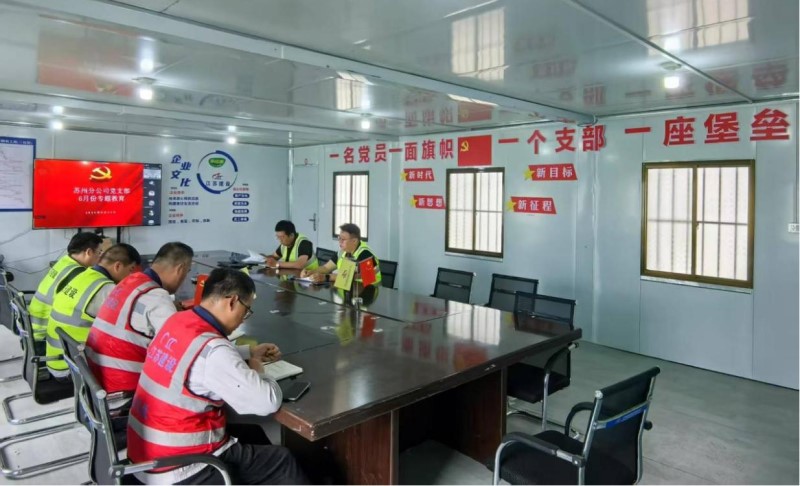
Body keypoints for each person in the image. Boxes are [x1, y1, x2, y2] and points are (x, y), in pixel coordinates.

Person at [126, 267, 308, 485]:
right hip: (182, 466)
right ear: (232, 302)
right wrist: (258, 370)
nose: (243, 319)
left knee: (254, 435)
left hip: (145, 452)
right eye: (246, 310)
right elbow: (266, 402)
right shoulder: (214, 351)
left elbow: (194, 356)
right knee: (282, 460)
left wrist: (248, 352)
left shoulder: (177, 321)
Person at [85, 242, 194, 401]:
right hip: (122, 391)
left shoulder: (129, 282)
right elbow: (180, 348)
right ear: (181, 269)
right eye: (187, 271)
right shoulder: (157, 297)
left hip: (97, 382)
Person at [45, 244, 141, 379]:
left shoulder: (83, 275)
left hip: (58, 358)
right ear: (118, 266)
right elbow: (131, 324)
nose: (131, 276)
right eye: (131, 270)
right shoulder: (106, 289)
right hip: (73, 369)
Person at [28, 232, 104, 342]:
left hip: (34, 325)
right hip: (45, 333)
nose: (100, 257)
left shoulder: (64, 261)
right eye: (99, 252)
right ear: (89, 252)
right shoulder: (78, 274)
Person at [301, 223, 381, 286]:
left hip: (369, 292)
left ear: (354, 241)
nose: (340, 241)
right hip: (350, 289)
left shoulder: (366, 254)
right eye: (339, 238)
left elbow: (353, 278)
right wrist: (311, 272)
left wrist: (326, 277)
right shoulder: (342, 252)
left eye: (343, 239)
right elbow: (326, 268)